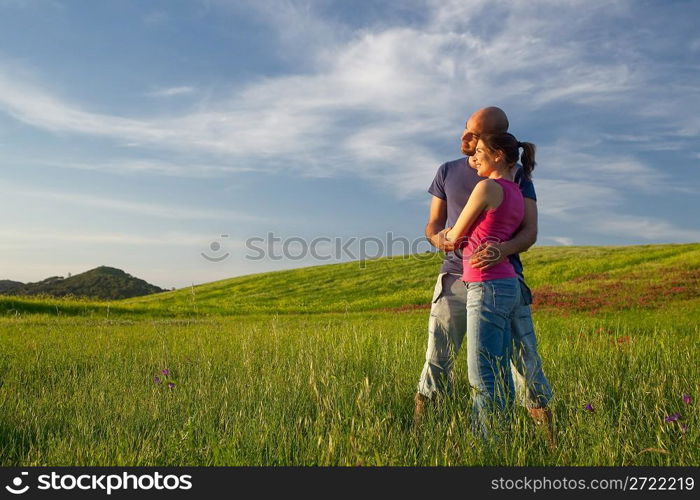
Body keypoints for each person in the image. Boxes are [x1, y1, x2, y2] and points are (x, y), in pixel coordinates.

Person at [414, 107, 554, 443]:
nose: (464, 139)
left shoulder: (516, 176)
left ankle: (549, 443)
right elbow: (434, 225)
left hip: (501, 278)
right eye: (465, 130)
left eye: (474, 135)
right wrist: (439, 241)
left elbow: (529, 231)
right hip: (454, 278)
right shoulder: (446, 171)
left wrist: (501, 250)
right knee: (438, 356)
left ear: (494, 142)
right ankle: (417, 436)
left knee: (523, 360)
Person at [444, 132, 533, 440]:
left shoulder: (487, 187)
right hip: (507, 284)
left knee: (481, 374)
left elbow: (454, 236)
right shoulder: (517, 194)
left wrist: (444, 235)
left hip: (486, 286)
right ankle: (504, 438)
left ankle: (486, 447)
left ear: (497, 155)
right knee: (499, 373)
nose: (475, 157)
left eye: (480, 151)